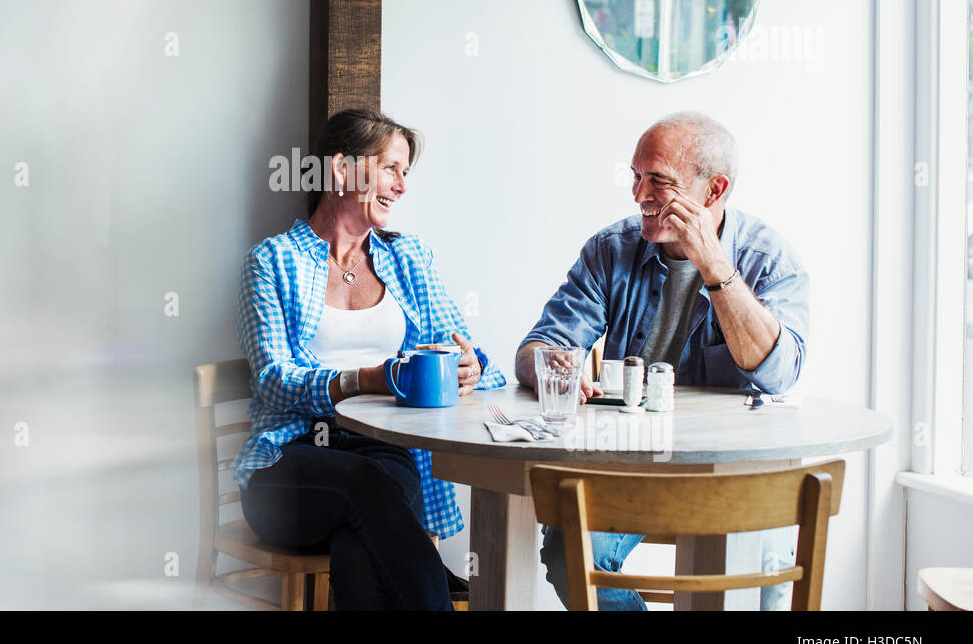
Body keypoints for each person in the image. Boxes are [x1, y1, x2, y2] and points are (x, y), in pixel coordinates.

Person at [516, 112, 809, 610]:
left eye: (659, 181)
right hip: (633, 467)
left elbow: (778, 373)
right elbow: (536, 347)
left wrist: (714, 265)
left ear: (714, 190)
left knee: (768, 577)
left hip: (734, 472)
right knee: (570, 550)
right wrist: (553, 365)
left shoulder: (768, 259)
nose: (639, 194)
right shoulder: (612, 250)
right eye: (636, 176)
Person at [235, 108, 506, 610]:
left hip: (386, 452)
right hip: (290, 462)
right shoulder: (272, 261)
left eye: (406, 173)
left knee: (361, 547)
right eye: (390, 168)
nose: (402, 186)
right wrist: (363, 380)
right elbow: (273, 381)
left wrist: (472, 365)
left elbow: (464, 344)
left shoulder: (409, 257)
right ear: (340, 170)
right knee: (367, 491)